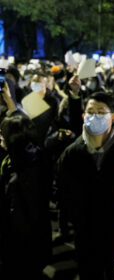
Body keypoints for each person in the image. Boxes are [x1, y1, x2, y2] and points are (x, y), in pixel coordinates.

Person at [55, 91, 114, 280]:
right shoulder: (72, 153)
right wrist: (73, 218)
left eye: (101, 112)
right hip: (85, 232)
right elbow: (62, 189)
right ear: (83, 116)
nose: (94, 116)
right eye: (90, 111)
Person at [0, 106, 52, 280]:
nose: (0, 137)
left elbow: (17, 219)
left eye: (2, 134)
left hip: (21, 246)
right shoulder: (36, 155)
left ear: (12, 138)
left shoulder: (18, 174)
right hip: (39, 239)